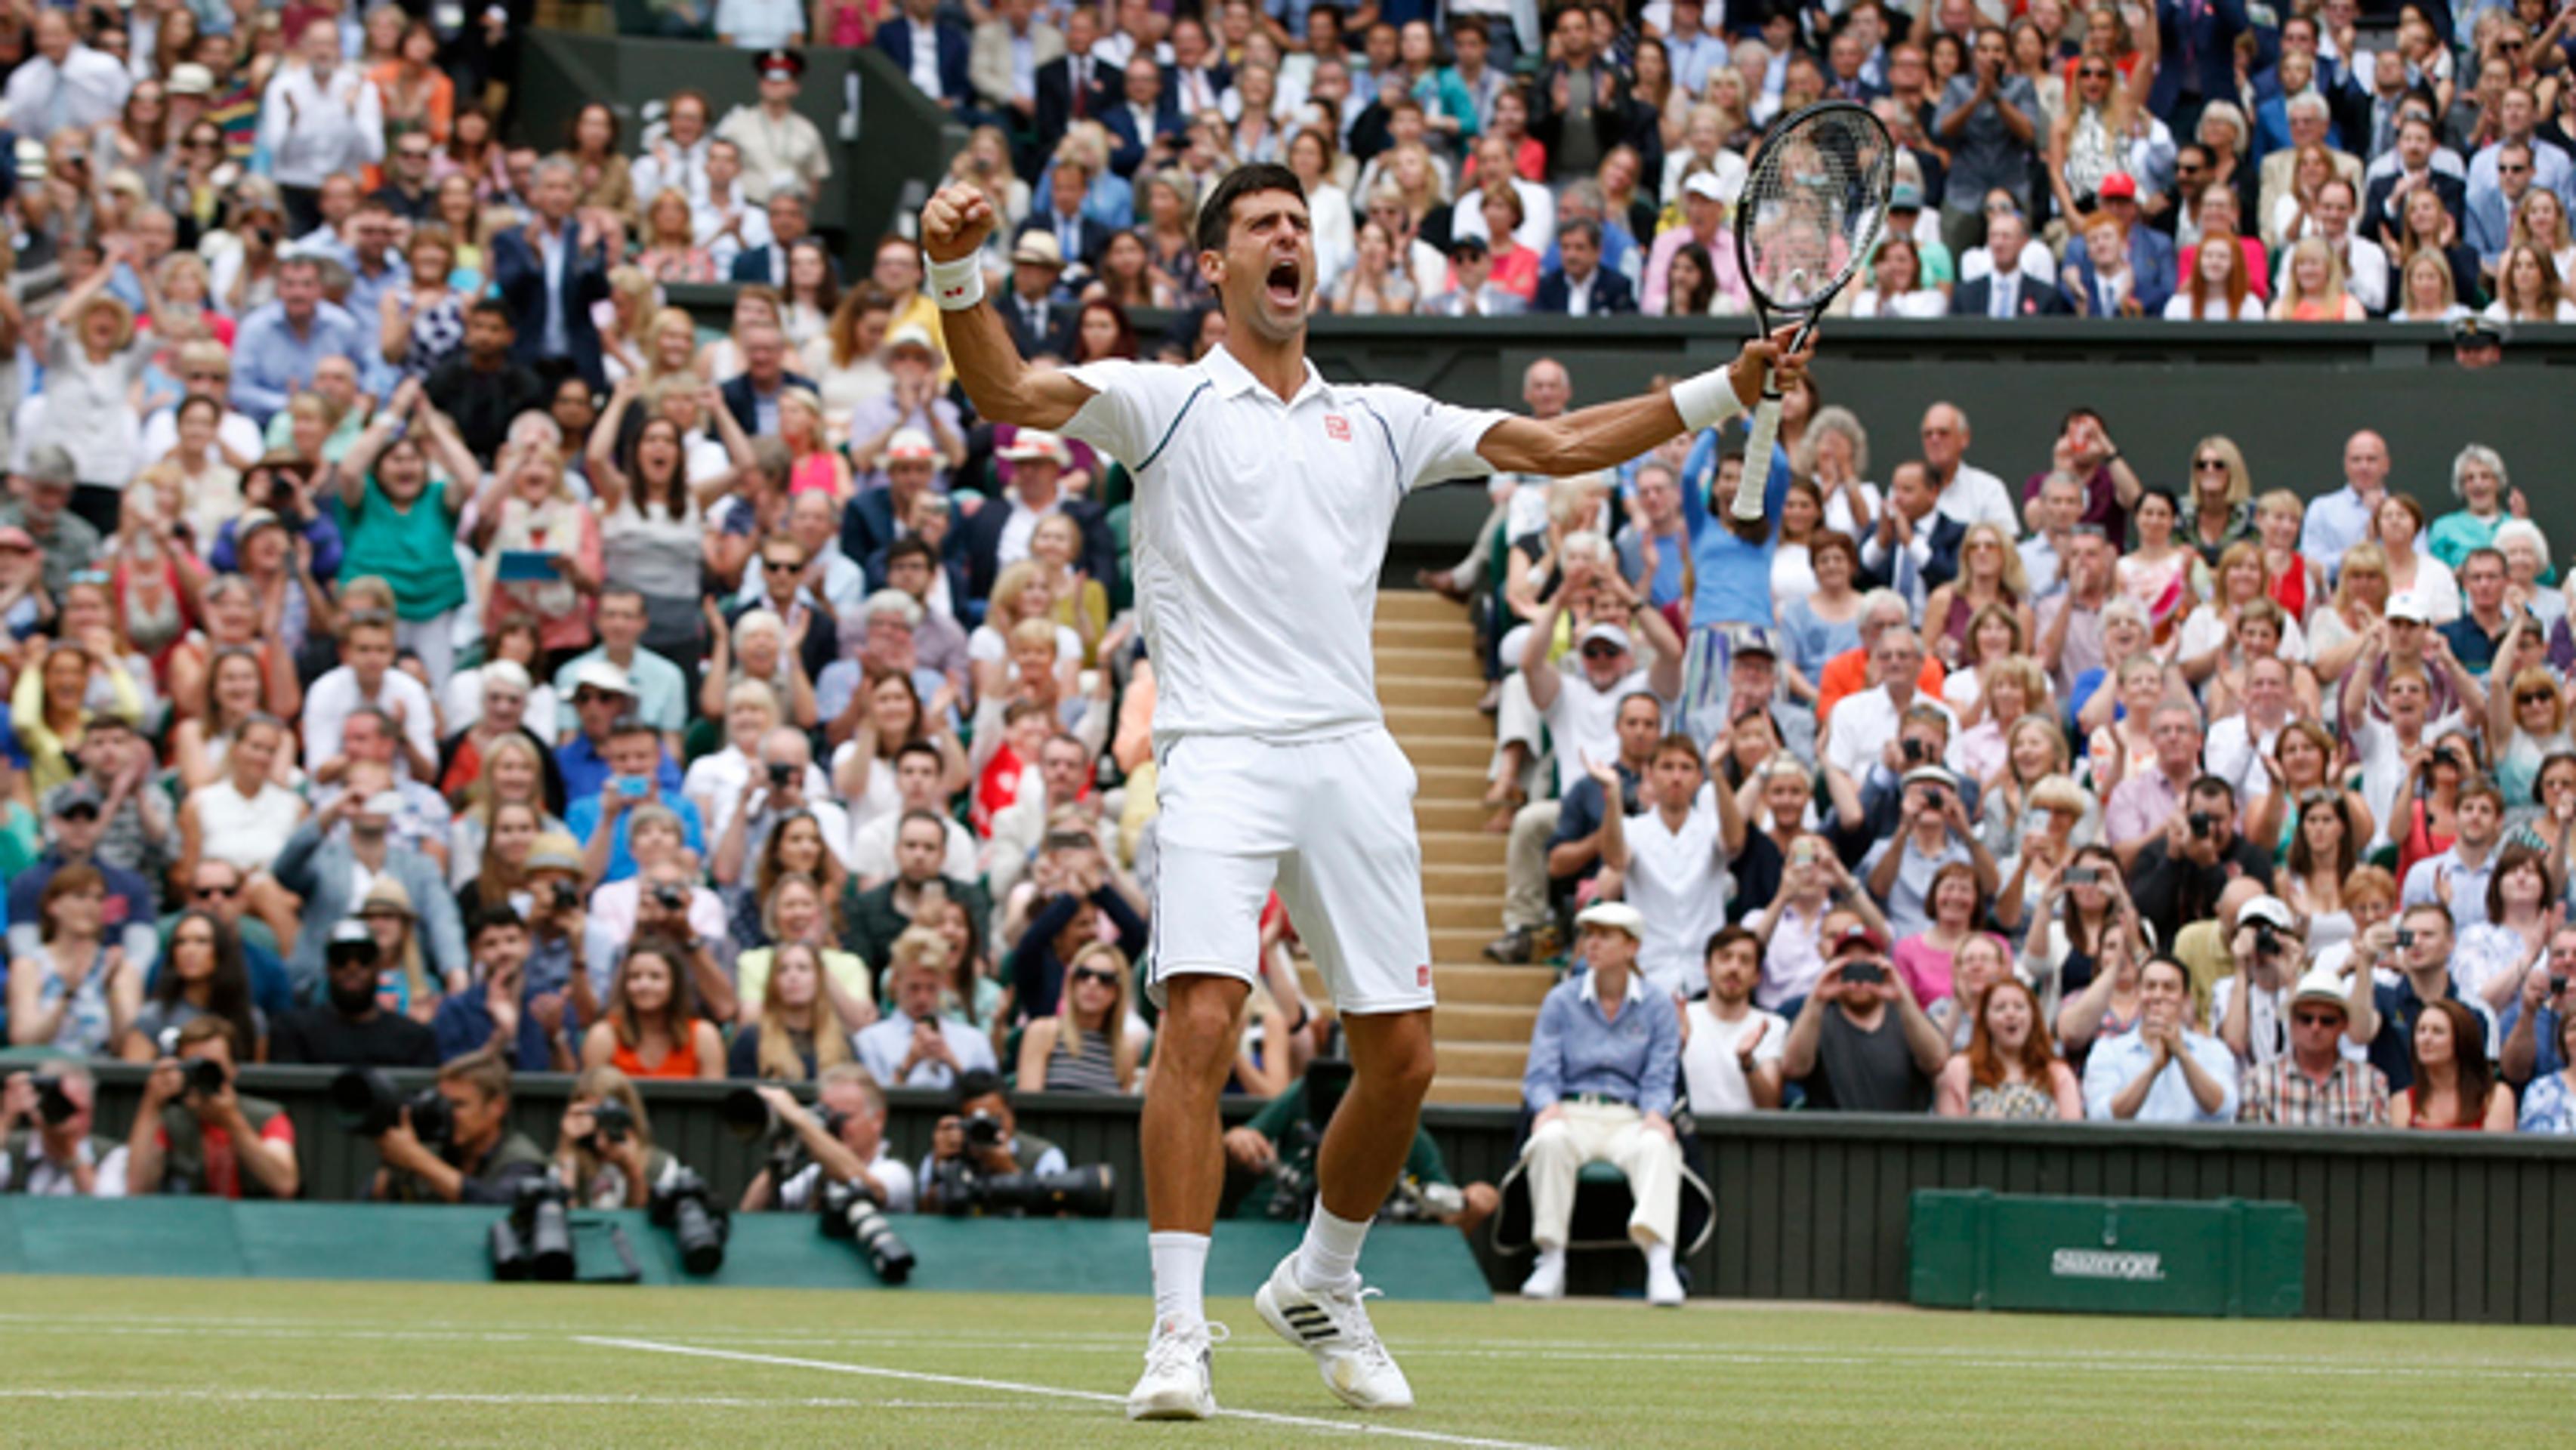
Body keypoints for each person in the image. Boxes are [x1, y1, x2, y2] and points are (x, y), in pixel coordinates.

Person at [920, 161, 1804, 1419]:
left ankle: (1321, 1280)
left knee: (1402, 1060)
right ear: (1214, 266)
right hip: (1217, 750)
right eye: (1260, 225)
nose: (1287, 237)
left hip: (1348, 753)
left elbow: (1556, 443)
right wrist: (955, 269)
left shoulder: (1382, 419)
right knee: (1201, 1021)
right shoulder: (1160, 402)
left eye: (1298, 222)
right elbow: (1005, 388)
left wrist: (1725, 390)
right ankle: (1177, 1332)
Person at [1513, 902, 1686, 1307]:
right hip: (1571, 1112)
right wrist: (1547, 1107)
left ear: (1632, 947)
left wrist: (1656, 1114)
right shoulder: (1560, 1000)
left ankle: (1660, 1262)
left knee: (1658, 1146)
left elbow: (1660, 1076)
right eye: (1588, 934)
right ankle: (1551, 1259)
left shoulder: (1659, 1005)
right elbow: (1541, 1073)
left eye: (1605, 936)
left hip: (1629, 1117)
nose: (1592, 943)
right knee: (1549, 1140)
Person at [1586, 736, 1744, 1000]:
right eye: (1667, 767)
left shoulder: (1710, 826)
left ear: (1698, 777)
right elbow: (1615, 860)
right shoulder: (1633, 829)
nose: (1676, 777)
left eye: (1686, 768)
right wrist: (1613, 795)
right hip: (1649, 970)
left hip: (1705, 973)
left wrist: (1717, 771)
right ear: (1649, 774)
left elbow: (1735, 841)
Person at [123, 1018, 299, 1199]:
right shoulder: (171, 1120)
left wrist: (233, 1122)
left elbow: (285, 1184)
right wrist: (151, 1104)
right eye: (195, 1066)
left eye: (213, 1066)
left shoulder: (268, 1117)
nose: (204, 1074)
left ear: (233, 1068)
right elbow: (136, 1187)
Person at [369, 1046, 551, 1203]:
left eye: (458, 1104)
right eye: (442, 1103)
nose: (446, 1113)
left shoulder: (521, 1158)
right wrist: (393, 1164)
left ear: (497, 1107)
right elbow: (369, 1204)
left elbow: (499, 1203)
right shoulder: (436, 1149)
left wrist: (417, 1159)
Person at [2081, 956, 2241, 1122]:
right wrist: (2153, 1069)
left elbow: (2224, 1108)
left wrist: (2182, 1054)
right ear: (2138, 994)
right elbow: (2102, 1115)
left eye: (2169, 988)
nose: (2158, 996)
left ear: (2185, 998)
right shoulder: (2109, 1051)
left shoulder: (2212, 1050)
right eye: (2150, 987)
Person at [738, 1066, 918, 1213]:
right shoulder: (814, 1175)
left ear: (878, 1119)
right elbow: (750, 1210)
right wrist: (784, 1154)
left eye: (844, 1117)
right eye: (827, 1117)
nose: (834, 1127)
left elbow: (867, 1188)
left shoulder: (895, 1172)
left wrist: (799, 1119)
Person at [270, 921, 443, 1067]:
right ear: (328, 967)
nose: (352, 967)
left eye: (364, 958)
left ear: (378, 967)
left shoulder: (413, 1038)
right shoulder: (295, 1032)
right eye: (341, 958)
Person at [2238, 966, 2392, 1126]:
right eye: (2306, 1019)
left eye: (2327, 1021)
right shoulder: (2259, 1081)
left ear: (2344, 1025)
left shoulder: (2372, 1082)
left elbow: (2377, 1141)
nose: (2315, 1028)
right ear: (2291, 1022)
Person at [856, 933, 1002, 1088]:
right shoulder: (869, 1042)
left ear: (943, 984)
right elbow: (869, 1100)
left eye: (931, 988)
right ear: (895, 981)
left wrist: (952, 1062)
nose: (922, 998)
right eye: (914, 987)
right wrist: (908, 1064)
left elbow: (990, 1098)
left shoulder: (974, 1041)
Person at [1934, 977, 2082, 1118]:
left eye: (2019, 1007)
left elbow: (2073, 1131)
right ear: (1986, 1020)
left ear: (2033, 1017)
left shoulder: (2058, 1073)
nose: (2011, 1014)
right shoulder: (1961, 1069)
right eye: (2000, 1008)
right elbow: (1948, 1130)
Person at [1681, 927, 1787, 1114]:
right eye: (1725, 958)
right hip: (1688, 1128)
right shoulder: (1682, 1017)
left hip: (1747, 1130)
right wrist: (1677, 1045)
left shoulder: (1772, 1025)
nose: (1734, 968)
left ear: (1757, 976)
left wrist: (1748, 1062)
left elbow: (1770, 1107)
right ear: (1707, 967)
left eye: (1745, 960)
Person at [0, 1066, 127, 1195]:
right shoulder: (11, 1148)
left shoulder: (112, 1154)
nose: (65, 1115)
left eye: (73, 1109)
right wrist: (7, 1119)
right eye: (57, 1106)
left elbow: (105, 1204)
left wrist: (70, 1151)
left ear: (91, 1112)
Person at [2392, 998, 2517, 1130]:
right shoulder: (2403, 1102)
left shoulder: (2495, 1097)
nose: (2426, 1039)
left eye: (2437, 1031)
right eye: (2421, 1030)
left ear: (2461, 1040)